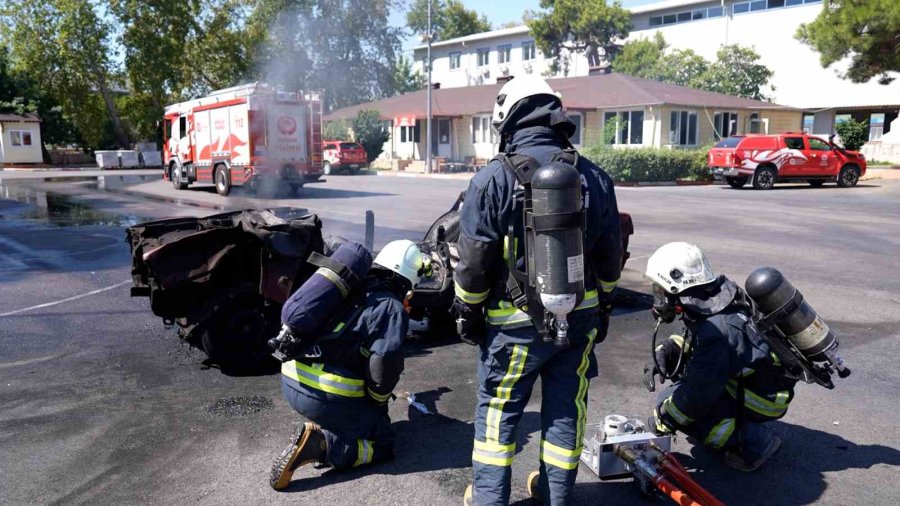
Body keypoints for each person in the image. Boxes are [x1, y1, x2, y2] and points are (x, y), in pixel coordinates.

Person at [453, 75, 623, 505]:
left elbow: (473, 262)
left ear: (507, 119)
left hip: (513, 329)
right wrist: (602, 305)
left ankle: (491, 499)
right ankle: (554, 497)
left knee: (497, 418)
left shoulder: (490, 180)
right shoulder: (594, 177)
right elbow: (610, 254)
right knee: (566, 413)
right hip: (578, 322)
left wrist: (469, 313)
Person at [269, 239, 426, 490]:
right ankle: (320, 445)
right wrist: (378, 399)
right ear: (407, 279)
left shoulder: (351, 288)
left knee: (371, 413)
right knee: (383, 441)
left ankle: (332, 423)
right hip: (325, 397)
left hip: (291, 382)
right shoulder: (390, 307)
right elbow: (384, 364)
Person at [643, 242, 798, 472]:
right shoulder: (715, 298)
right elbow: (692, 338)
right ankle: (735, 421)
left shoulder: (719, 332)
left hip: (766, 397)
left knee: (678, 405)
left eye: (659, 291)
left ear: (675, 287)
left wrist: (662, 420)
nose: (657, 300)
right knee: (682, 391)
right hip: (759, 378)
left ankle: (755, 442)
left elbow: (696, 396)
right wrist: (666, 351)